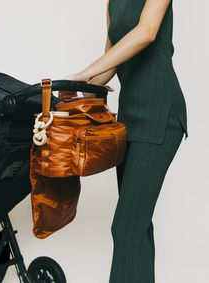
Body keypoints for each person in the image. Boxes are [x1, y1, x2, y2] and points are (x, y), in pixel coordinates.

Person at [59, 0, 189, 282]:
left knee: (127, 226)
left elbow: (146, 32)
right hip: (128, 121)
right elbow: (111, 60)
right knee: (137, 226)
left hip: (160, 115)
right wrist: (79, 87)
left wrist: (85, 73)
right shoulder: (112, 2)